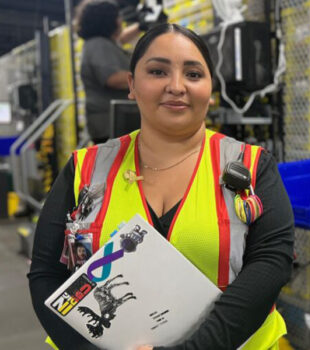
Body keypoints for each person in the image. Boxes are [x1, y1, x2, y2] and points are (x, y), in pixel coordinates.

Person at [28, 23, 294, 350]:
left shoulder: (251, 165)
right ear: (131, 85)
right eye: (158, 71)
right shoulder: (85, 169)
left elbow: (271, 263)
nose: (177, 86)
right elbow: (45, 274)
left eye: (194, 74)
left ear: (210, 90)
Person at [76, 0, 143, 144]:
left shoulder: (102, 43)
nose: (121, 21)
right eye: (117, 17)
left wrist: (141, 26)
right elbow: (113, 79)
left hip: (112, 124)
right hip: (110, 126)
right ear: (107, 21)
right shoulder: (98, 45)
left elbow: (121, 39)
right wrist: (150, 77)